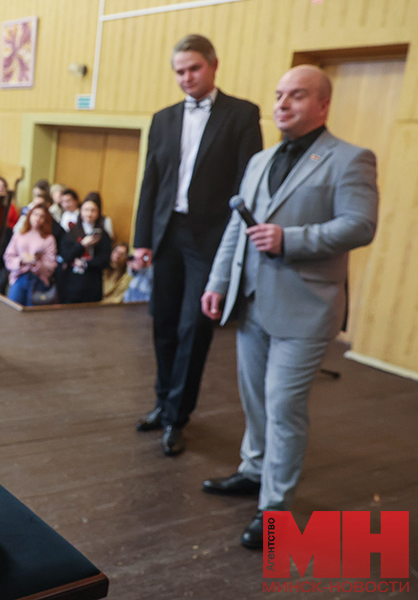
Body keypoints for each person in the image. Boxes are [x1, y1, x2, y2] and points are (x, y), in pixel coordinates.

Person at [200, 65, 378, 549]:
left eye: (296, 96)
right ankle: (254, 470)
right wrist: (219, 281)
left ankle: (274, 509)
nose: (282, 104)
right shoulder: (261, 159)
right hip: (252, 302)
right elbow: (238, 229)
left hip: (307, 306)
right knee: (255, 399)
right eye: (279, 94)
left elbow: (361, 225)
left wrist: (290, 239)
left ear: (322, 105)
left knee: (283, 407)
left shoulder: (351, 159)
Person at [130, 34, 263, 456]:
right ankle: (161, 401)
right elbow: (151, 182)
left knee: (194, 326)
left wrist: (238, 245)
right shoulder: (163, 118)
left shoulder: (242, 114)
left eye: (194, 69)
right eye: (179, 71)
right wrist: (141, 240)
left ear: (213, 65)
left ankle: (177, 417)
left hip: (210, 239)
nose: (186, 78)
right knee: (163, 322)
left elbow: (249, 183)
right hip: (167, 232)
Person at [59, 197, 112, 303]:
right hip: (72, 282)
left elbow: (105, 259)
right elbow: (66, 255)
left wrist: (86, 263)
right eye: (86, 210)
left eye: (93, 210)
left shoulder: (103, 234)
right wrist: (82, 244)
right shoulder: (72, 232)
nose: (89, 213)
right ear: (81, 211)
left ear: (98, 213)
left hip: (92, 281)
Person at [3, 204, 57, 306]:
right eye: (35, 214)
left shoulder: (49, 239)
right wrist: (21, 260)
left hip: (38, 279)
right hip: (19, 277)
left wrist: (35, 262)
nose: (37, 218)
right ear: (30, 215)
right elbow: (8, 257)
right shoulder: (19, 235)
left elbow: (51, 265)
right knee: (13, 309)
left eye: (42, 216)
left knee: (33, 315)